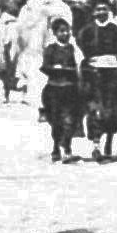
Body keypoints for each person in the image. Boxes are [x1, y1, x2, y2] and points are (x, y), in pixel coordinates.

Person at [78, 0, 117, 161]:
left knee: (113, 109)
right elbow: (80, 51)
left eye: (104, 9)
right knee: (94, 109)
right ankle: (96, 144)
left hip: (112, 74)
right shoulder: (86, 31)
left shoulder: (116, 30)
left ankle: (109, 139)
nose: (101, 12)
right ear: (93, 12)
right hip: (93, 74)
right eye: (98, 9)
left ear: (109, 11)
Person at [40, 16, 85, 162]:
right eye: (61, 31)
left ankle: (67, 147)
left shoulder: (73, 48)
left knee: (70, 120)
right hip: (54, 89)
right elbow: (45, 67)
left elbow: (79, 66)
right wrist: (55, 68)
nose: (65, 34)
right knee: (56, 120)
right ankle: (55, 147)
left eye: (67, 31)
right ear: (55, 33)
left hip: (70, 89)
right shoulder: (51, 49)